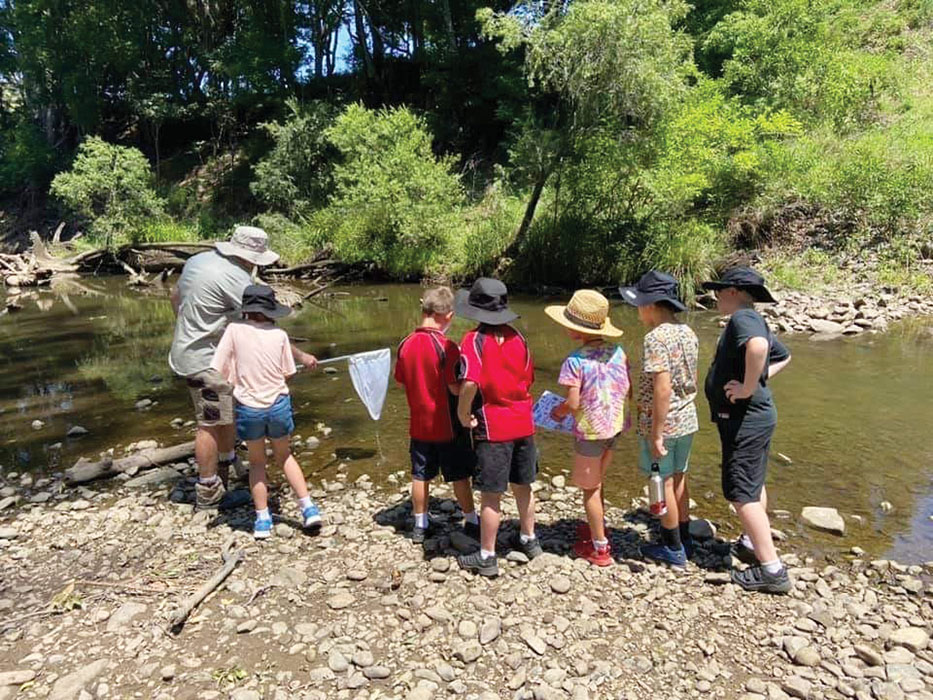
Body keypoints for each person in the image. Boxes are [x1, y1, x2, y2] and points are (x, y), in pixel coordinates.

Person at [169, 226, 317, 510]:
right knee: (209, 422)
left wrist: (188, 330)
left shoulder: (198, 260)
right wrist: (299, 356)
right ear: (251, 257)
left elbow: (175, 298)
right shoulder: (237, 279)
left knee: (224, 413)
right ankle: (209, 490)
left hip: (189, 352)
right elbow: (262, 327)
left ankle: (227, 466)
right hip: (207, 362)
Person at [702, 266, 792, 594]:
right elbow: (784, 355)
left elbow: (757, 348)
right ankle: (751, 544)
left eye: (719, 290)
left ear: (734, 292)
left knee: (741, 491)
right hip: (754, 418)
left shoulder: (744, 319)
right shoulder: (750, 317)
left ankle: (772, 570)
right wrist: (756, 382)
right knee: (752, 483)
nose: (714, 296)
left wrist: (748, 387)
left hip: (746, 419)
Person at [210, 285, 322, 538]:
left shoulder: (234, 330)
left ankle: (262, 520)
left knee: (257, 462)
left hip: (249, 407)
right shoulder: (279, 334)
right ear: (270, 310)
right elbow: (289, 372)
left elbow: (218, 368)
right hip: (278, 404)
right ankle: (308, 508)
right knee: (285, 456)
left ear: (247, 310)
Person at [454, 278, 541, 577]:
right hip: (524, 422)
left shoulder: (473, 340)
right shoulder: (519, 337)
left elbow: (470, 382)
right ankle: (530, 540)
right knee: (523, 485)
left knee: (491, 494)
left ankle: (487, 556)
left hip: (493, 427)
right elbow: (528, 378)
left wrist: (462, 413)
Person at [545, 289, 630, 567]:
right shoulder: (618, 352)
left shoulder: (575, 361)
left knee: (590, 489)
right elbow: (625, 390)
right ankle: (598, 527)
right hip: (615, 427)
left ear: (575, 329)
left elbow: (572, 402)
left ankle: (600, 547)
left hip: (591, 431)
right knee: (598, 481)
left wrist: (555, 413)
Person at [621, 271, 699, 569]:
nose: (637, 310)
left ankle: (672, 547)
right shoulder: (687, 332)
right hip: (688, 416)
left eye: (639, 304)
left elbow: (662, 387)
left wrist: (656, 433)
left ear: (651, 305)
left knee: (662, 480)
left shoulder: (655, 338)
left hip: (663, 421)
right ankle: (685, 536)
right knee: (679, 476)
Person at [395, 286, 479, 544]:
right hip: (448, 426)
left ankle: (420, 524)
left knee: (420, 474)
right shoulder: (448, 347)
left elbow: (401, 380)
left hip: (419, 425)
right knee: (460, 474)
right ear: (449, 316)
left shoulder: (405, 344)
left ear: (424, 309)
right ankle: (472, 520)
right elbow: (455, 387)